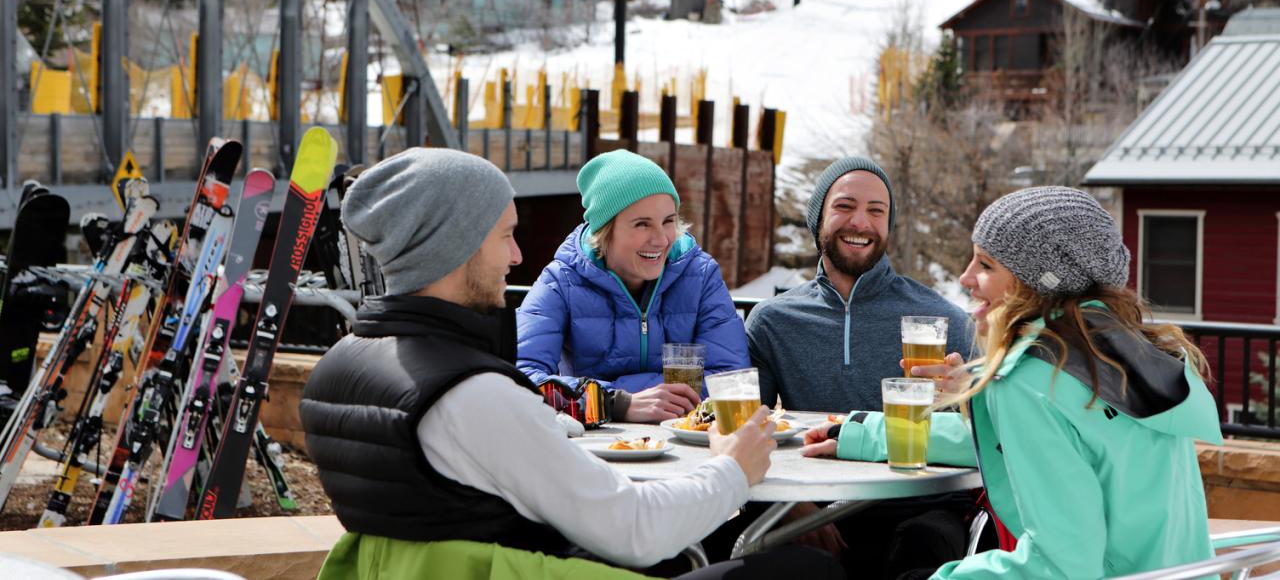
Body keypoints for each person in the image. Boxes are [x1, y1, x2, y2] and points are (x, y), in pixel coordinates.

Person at [301, 148, 840, 579]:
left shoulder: (337, 371)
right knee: (807, 568)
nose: (517, 257)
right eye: (507, 235)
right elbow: (633, 529)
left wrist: (561, 415)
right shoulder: (467, 393)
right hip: (555, 558)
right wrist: (733, 471)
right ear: (456, 246)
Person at [801, 186, 1223, 579]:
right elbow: (1033, 444)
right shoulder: (1120, 353)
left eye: (985, 265)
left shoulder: (1029, 380)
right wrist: (867, 434)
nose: (965, 278)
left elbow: (1062, 565)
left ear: (1036, 283)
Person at [518, 149, 751, 423]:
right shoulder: (560, 281)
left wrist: (627, 388)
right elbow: (521, 382)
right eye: (642, 224)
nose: (662, 239)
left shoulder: (700, 275)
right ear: (604, 231)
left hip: (688, 445)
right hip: (596, 451)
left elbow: (733, 383)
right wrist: (618, 402)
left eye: (668, 221)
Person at [745, 155, 972, 414]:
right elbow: (745, 429)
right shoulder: (772, 322)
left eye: (876, 210)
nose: (860, 223)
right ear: (818, 219)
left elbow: (992, 436)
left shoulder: (945, 323)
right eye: (844, 206)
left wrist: (967, 402)